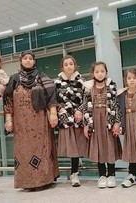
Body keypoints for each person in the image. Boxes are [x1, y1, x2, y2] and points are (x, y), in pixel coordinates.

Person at [4, 50, 59, 190]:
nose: (28, 60)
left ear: (34, 61)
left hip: (40, 122)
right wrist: (8, 119)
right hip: (21, 124)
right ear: (21, 60)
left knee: (42, 149)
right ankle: (26, 182)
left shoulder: (41, 77)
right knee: (23, 151)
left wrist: (53, 114)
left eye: (30, 58)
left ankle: (43, 181)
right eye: (25, 58)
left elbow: (51, 97)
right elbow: (8, 101)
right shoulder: (14, 79)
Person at [82, 61, 122, 189]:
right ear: (92, 73)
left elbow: (116, 105)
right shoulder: (88, 88)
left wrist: (116, 122)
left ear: (106, 73)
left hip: (107, 120)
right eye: (97, 71)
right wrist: (86, 124)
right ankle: (102, 175)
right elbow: (85, 107)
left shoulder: (111, 86)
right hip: (95, 120)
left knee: (109, 146)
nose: (100, 74)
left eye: (102, 71)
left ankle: (111, 175)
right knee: (98, 147)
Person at [54, 55, 88, 187]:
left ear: (75, 65)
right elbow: (54, 101)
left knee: (78, 147)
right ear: (62, 67)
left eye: (71, 64)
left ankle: (75, 174)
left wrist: (80, 110)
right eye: (66, 64)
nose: (69, 66)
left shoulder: (82, 82)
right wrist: (60, 110)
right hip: (65, 120)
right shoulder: (56, 83)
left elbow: (86, 100)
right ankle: (71, 173)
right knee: (71, 148)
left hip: (78, 120)